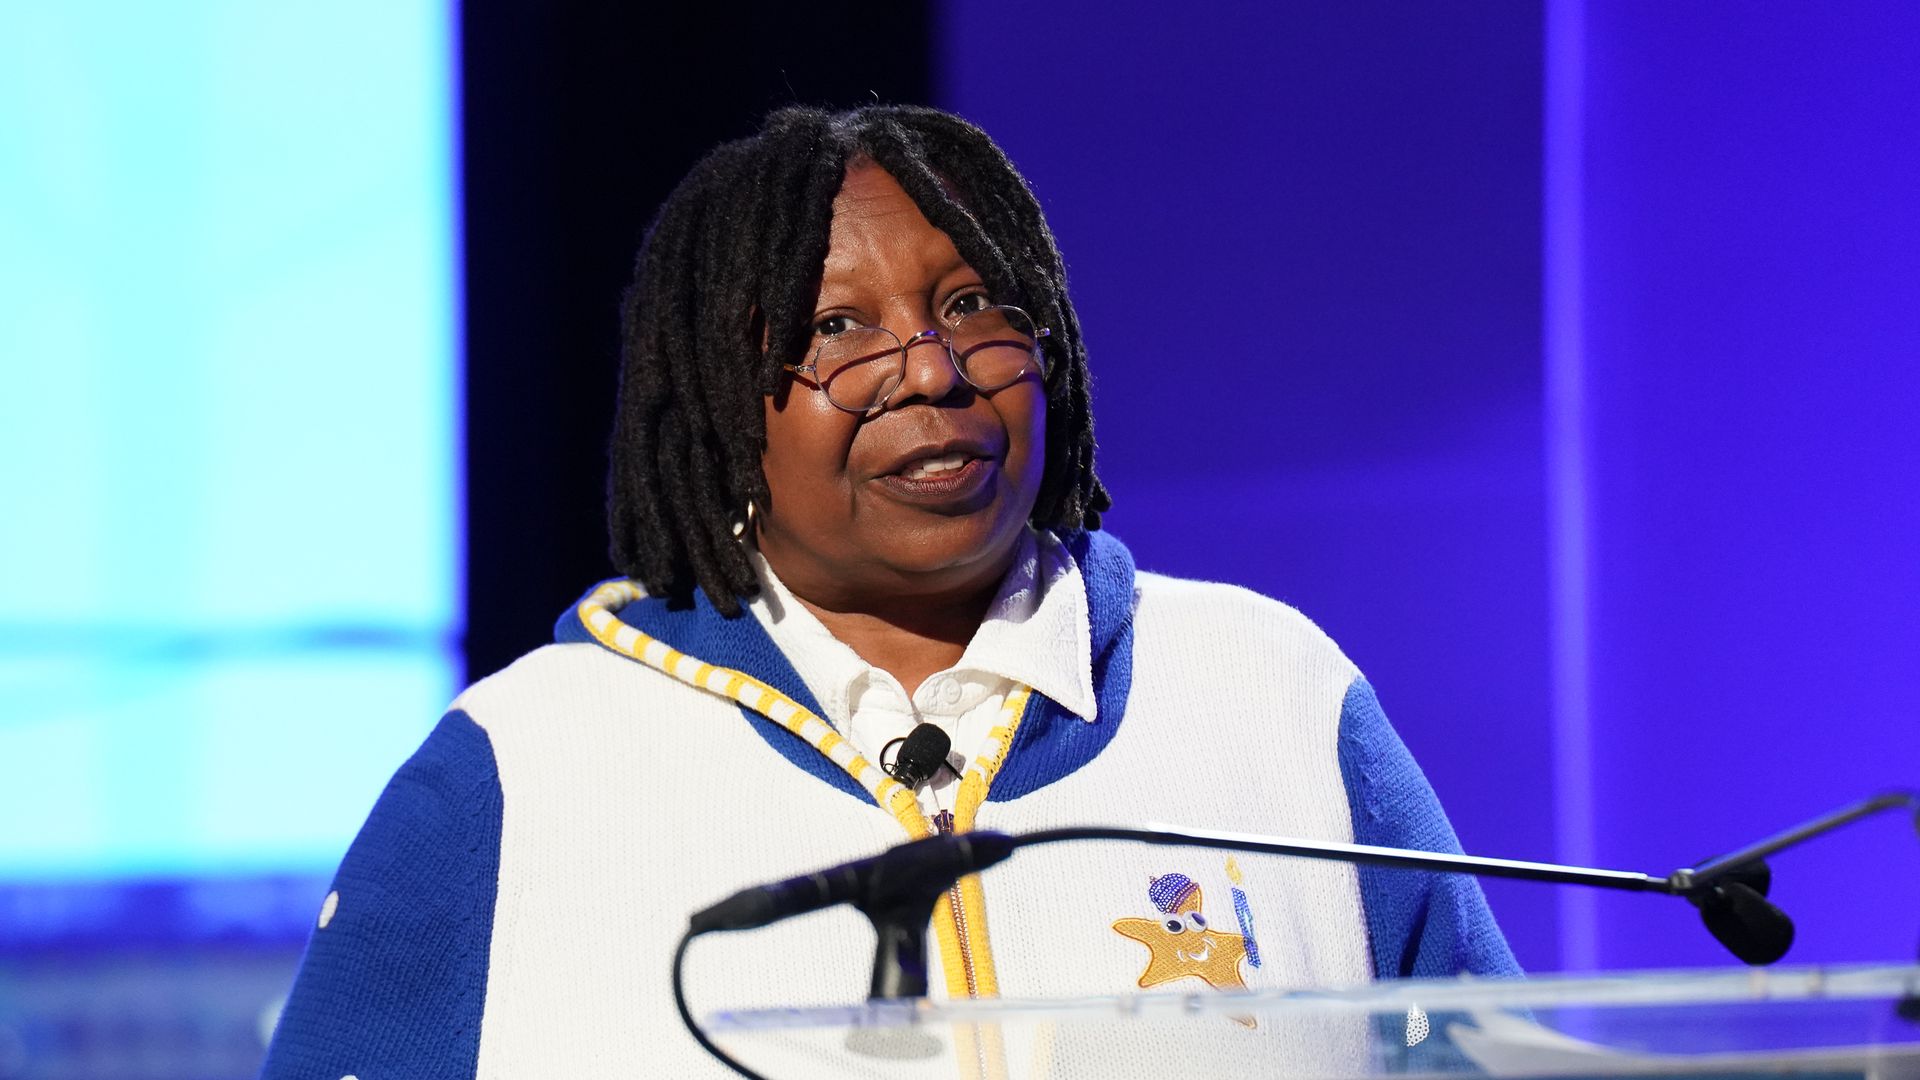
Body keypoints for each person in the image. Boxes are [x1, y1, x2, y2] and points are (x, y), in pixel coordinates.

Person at [260, 105, 1517, 1079]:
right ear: (717, 402)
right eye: (836, 328)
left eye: (971, 305)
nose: (931, 369)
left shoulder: (1268, 696)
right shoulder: (521, 766)